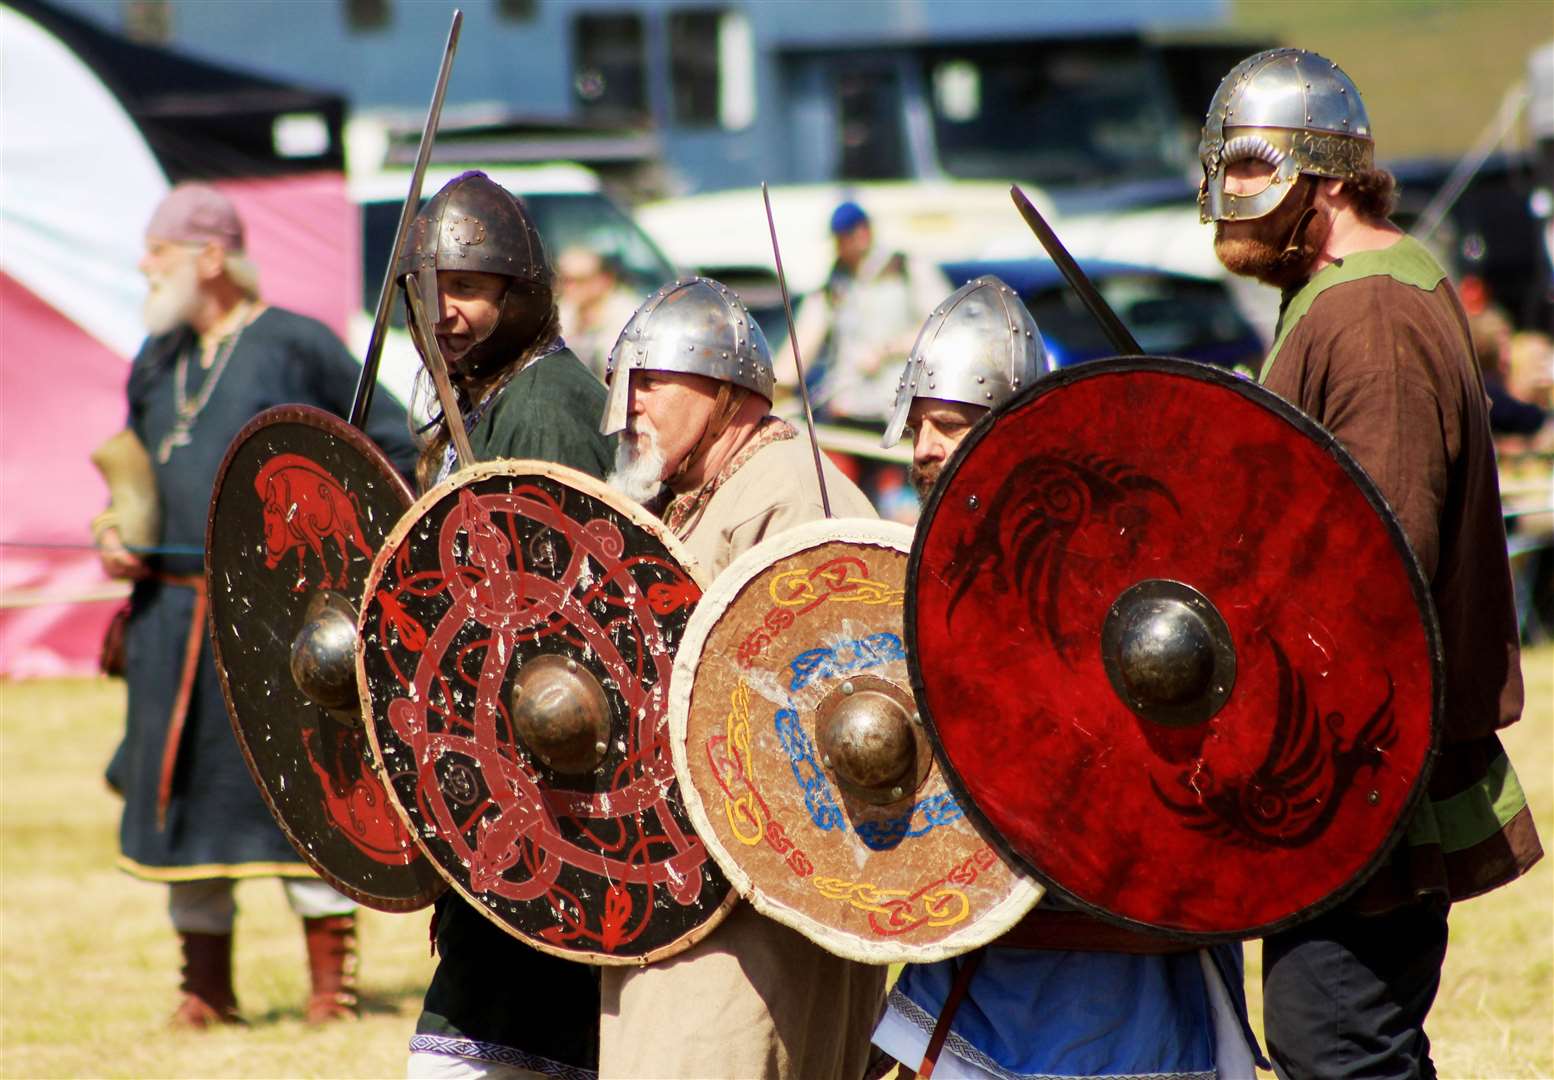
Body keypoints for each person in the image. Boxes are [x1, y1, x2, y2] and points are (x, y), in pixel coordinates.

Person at [1198, 48, 1544, 1078]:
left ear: (1329, 175)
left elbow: (1375, 578)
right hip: (1341, 761)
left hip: (1359, 764)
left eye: (1253, 167)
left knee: (1338, 1049)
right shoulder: (1347, 295)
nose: (1224, 195)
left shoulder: (1372, 317)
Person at [868, 275, 1263, 1080]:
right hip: (980, 919)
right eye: (917, 428)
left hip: (1110, 916)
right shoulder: (926, 564)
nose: (925, 449)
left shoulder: (1100, 563)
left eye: (948, 425)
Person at [92, 182, 417, 1027]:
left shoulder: (295, 346)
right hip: (170, 620)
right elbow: (135, 472)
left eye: (157, 253)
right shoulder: (156, 358)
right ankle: (205, 989)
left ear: (210, 258)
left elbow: (381, 449)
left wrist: (342, 574)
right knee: (188, 802)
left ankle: (328, 988)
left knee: (295, 788)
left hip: (276, 625)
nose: (143, 267)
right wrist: (114, 536)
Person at [597, 277, 884, 1079]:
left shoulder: (791, 497)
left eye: (652, 381)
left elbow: (829, 726)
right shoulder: (695, 492)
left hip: (761, 914)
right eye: (626, 382)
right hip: (682, 893)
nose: (631, 407)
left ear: (723, 391)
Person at [394, 171, 614, 1080]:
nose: (446, 313)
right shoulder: (476, 399)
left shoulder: (545, 404)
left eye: (471, 290)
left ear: (520, 295)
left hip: (544, 781)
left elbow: (554, 615)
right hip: (494, 773)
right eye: (431, 289)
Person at [785, 201, 948, 426]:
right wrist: (780, 388)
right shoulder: (834, 285)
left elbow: (944, 325)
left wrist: (888, 349)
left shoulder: (906, 269)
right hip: (848, 408)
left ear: (864, 232)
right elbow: (802, 345)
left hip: (900, 408)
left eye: (846, 237)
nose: (841, 247)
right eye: (839, 240)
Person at [555, 246, 642, 383]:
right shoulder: (564, 311)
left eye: (579, 280)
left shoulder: (629, 317)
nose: (570, 288)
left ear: (605, 279)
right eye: (565, 280)